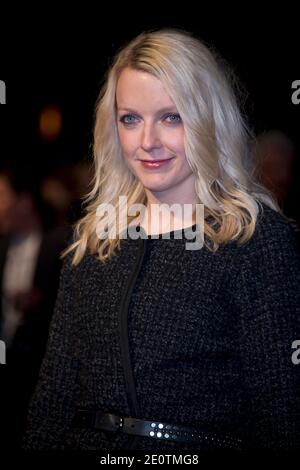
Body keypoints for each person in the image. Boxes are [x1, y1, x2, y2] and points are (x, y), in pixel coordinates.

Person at [22, 29, 300, 451]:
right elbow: (52, 400)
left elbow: (282, 413)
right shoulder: (94, 242)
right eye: (130, 118)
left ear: (208, 119)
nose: (148, 141)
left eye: (171, 117)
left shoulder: (254, 241)